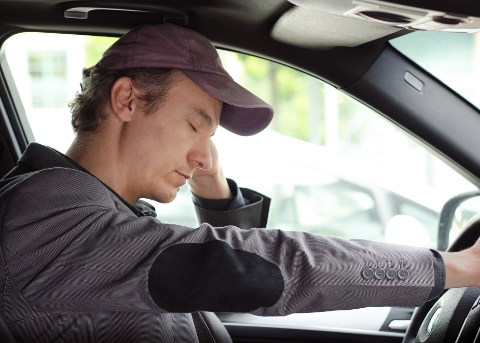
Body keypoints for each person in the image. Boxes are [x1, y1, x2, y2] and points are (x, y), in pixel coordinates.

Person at [0, 23, 479, 343]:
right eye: (194, 124)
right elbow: (249, 266)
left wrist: (208, 175)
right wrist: (454, 268)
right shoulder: (47, 224)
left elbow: (200, 276)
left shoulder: (91, 211)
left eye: (210, 135)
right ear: (126, 100)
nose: (205, 154)